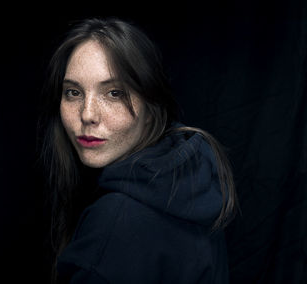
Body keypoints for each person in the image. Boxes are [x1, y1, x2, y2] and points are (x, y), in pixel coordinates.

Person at [38, 17, 238, 284]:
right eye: (73, 93)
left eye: (114, 93)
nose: (87, 115)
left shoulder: (115, 223)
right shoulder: (192, 180)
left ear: (151, 105)